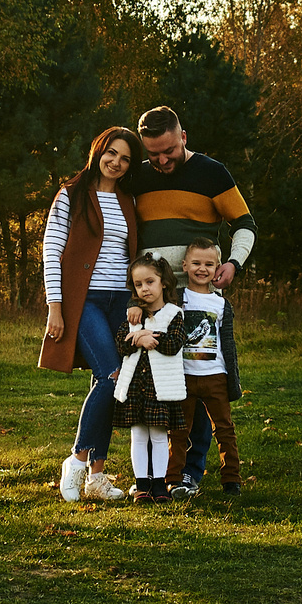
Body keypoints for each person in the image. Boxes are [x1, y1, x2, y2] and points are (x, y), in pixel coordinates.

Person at [127, 107, 256, 494]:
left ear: (183, 136)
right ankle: (159, 469)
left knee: (197, 383)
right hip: (155, 302)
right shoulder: (138, 176)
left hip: (199, 299)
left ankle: (189, 473)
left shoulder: (211, 172)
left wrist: (234, 262)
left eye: (168, 150)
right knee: (163, 388)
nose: (162, 161)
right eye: (153, 154)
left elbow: (244, 224)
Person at [41, 126, 145, 503]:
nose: (116, 163)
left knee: (111, 382)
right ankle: (77, 459)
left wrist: (137, 298)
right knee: (112, 375)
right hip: (83, 300)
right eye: (112, 153)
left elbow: (133, 255)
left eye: (126, 159)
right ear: (99, 151)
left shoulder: (129, 201)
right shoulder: (71, 195)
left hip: (121, 301)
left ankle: (97, 477)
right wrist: (56, 306)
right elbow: (52, 251)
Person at [113, 254, 192, 502]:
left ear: (163, 283)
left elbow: (173, 345)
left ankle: (159, 485)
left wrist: (146, 336)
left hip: (161, 389)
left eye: (150, 282)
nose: (144, 288)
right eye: (138, 284)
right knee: (138, 436)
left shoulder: (173, 314)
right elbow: (121, 345)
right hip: (136, 387)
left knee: (158, 436)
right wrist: (138, 337)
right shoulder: (133, 315)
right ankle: (141, 485)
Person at [176, 239, 243, 495]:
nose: (202, 269)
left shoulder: (222, 305)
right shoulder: (177, 299)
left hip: (216, 376)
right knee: (181, 429)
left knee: (224, 428)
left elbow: (229, 344)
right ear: (185, 266)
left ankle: (231, 479)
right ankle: (175, 478)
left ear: (217, 268)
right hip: (185, 376)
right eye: (196, 263)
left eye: (208, 264)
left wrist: (231, 379)